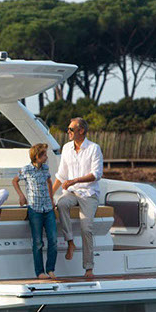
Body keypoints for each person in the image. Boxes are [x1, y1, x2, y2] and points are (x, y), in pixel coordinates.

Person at [52, 117, 104, 278]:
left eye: (71, 129)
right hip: (72, 192)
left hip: (89, 193)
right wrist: (50, 195)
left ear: (81, 131)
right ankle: (70, 242)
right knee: (61, 204)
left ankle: (89, 268)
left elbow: (96, 174)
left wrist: (75, 180)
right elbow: (61, 175)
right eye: (68, 129)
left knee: (86, 228)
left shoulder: (94, 148)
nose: (68, 132)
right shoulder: (67, 148)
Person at [13, 143, 57, 279]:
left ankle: (50, 269)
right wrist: (21, 195)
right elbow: (15, 181)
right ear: (37, 156)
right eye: (44, 154)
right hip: (35, 209)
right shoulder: (26, 169)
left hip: (48, 208)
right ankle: (40, 272)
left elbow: (49, 182)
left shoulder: (45, 168)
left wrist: (52, 198)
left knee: (53, 239)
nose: (46, 157)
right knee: (37, 242)